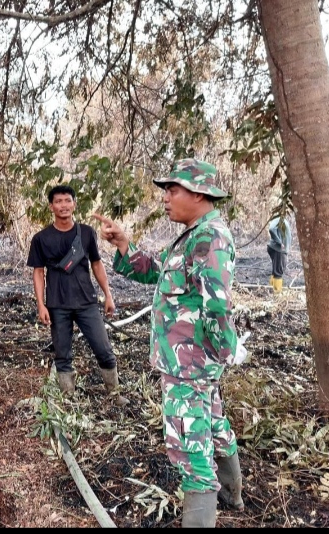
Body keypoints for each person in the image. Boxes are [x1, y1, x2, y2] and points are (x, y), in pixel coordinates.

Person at [92, 158, 246, 528]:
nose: (165, 197)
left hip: (189, 365)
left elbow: (218, 306)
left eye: (172, 190)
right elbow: (156, 269)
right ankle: (232, 492)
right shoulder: (193, 235)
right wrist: (126, 245)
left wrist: (222, 353)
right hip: (191, 363)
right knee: (213, 424)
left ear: (198, 193)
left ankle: (206, 511)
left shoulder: (210, 238)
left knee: (190, 448)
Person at [26, 184, 129, 405]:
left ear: (74, 204)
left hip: (86, 301)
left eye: (67, 200)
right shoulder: (41, 238)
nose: (63, 205)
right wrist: (41, 305)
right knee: (62, 354)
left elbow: (97, 265)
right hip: (57, 304)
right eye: (58, 201)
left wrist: (108, 295)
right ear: (51, 206)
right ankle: (68, 398)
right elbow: (38, 272)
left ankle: (114, 394)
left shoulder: (86, 233)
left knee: (103, 348)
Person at [267, 215, 291, 293]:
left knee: (276, 270)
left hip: (277, 248)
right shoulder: (279, 218)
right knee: (278, 272)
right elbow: (271, 229)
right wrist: (279, 242)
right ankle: (277, 294)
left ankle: (271, 290)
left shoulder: (279, 219)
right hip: (278, 249)